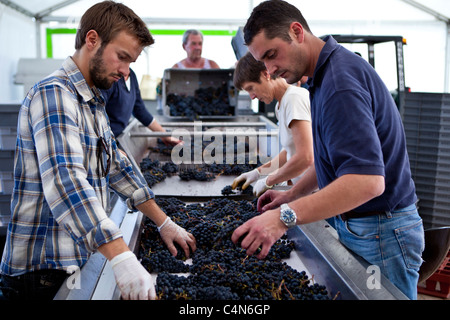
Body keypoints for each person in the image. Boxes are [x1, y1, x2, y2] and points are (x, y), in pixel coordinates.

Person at [0, 1, 196, 301]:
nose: (125, 70)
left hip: (72, 260)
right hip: (40, 274)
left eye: (131, 62)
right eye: (122, 57)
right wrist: (121, 256)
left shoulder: (91, 99)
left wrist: (163, 222)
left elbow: (116, 165)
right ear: (92, 40)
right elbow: (67, 182)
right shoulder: (54, 94)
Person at [231, 0, 424, 300]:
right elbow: (328, 162)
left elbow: (366, 181)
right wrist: (290, 195)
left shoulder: (339, 84)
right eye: (263, 62)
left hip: (381, 233)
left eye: (271, 55)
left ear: (297, 32)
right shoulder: (323, 78)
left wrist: (284, 217)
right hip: (368, 227)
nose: (270, 69)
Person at [231, 51, 313, 197]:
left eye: (251, 88)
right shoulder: (280, 105)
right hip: (301, 190)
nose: (252, 97)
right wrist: (257, 173)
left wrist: (270, 180)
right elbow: (289, 151)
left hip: (314, 192)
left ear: (265, 75)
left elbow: (305, 157)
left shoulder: (294, 99)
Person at [101, 68, 181, 146]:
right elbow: (96, 118)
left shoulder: (131, 75)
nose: (126, 70)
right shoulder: (109, 76)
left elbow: (139, 110)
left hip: (116, 140)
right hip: (104, 143)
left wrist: (164, 134)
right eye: (123, 57)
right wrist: (111, 149)